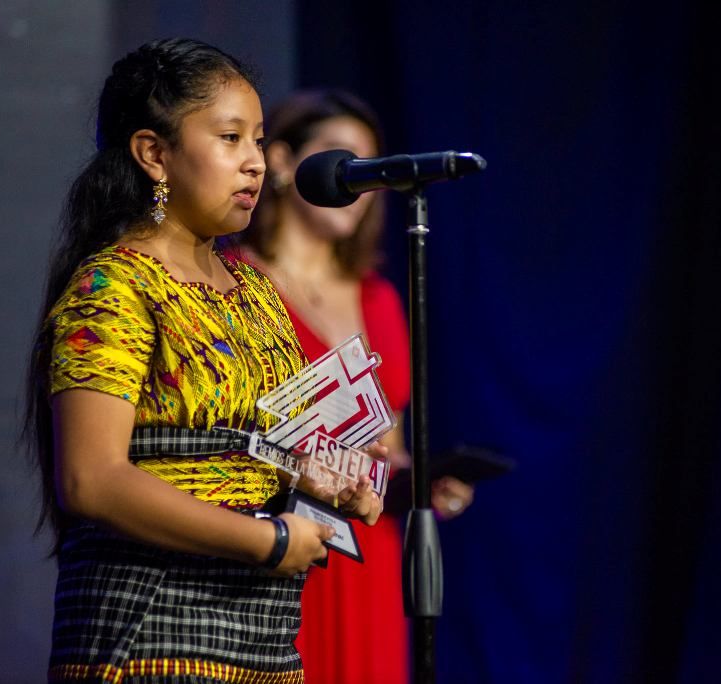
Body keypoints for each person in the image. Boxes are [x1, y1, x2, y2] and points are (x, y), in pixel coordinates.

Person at [24, 40, 382, 684]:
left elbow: (269, 452)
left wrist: (325, 482)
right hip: (151, 634)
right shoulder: (115, 286)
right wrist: (266, 541)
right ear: (153, 154)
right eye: (229, 138)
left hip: (264, 640)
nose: (254, 163)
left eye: (259, 139)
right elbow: (91, 480)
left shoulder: (256, 294)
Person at [237, 89, 474, 684]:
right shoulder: (234, 281)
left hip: (365, 553)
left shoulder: (381, 297)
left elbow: (385, 446)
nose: (359, 182)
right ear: (287, 162)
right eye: (345, 162)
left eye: (371, 167)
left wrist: (421, 481)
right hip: (281, 549)